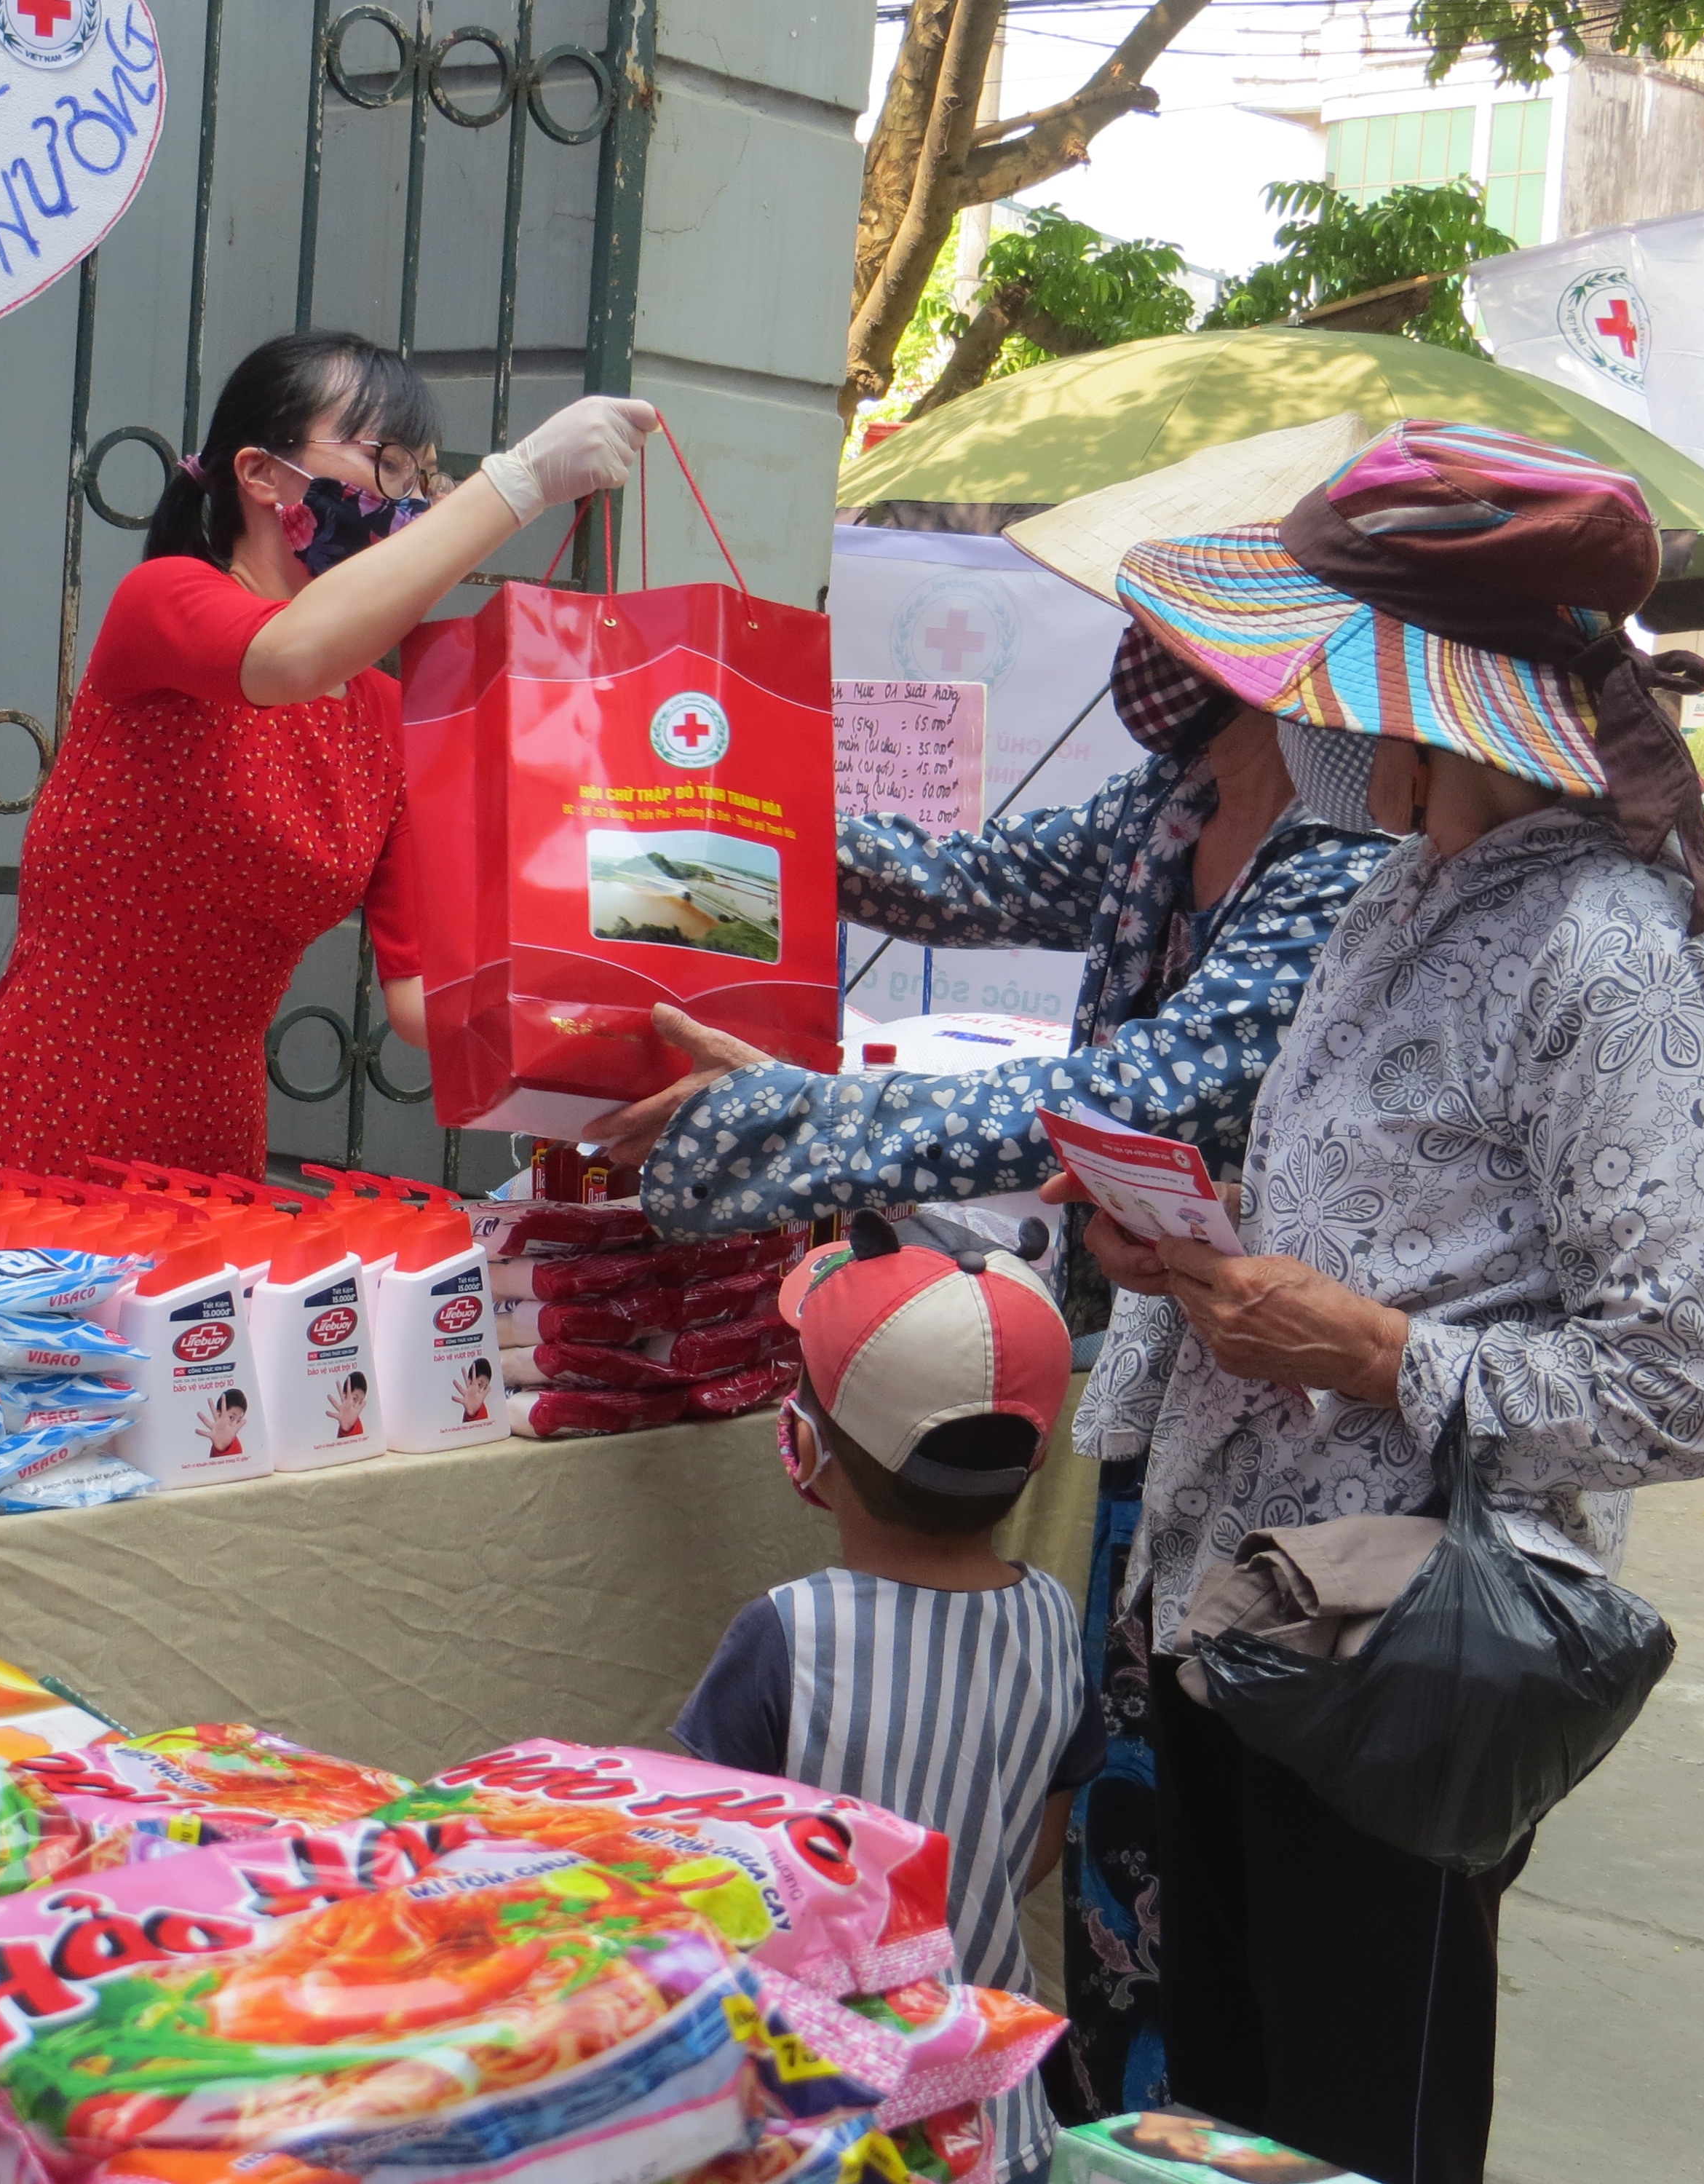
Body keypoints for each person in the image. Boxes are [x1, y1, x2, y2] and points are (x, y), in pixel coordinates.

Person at [1055, 422, 1704, 2184]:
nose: (1302, 715)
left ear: (1435, 699)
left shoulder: (1609, 950)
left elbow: (1686, 1381)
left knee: (1365, 2116)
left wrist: (1373, 1351)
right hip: (1237, 1607)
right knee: (1219, 2099)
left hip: (1408, 1652)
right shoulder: (1393, 891)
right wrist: (1184, 1256)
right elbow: (1351, 1214)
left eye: (1338, 676)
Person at [590, 625, 1392, 2113]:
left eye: (1187, 627)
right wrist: (699, 798)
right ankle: (1114, 2107)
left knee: (1255, 1878)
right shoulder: (1169, 799)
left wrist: (795, 1119)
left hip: (1312, 1428)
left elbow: (1132, 1090)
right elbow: (952, 881)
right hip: (1155, 1362)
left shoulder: (1342, 856)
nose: (1150, 654)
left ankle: (1178, 2114)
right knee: (1138, 1836)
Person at [0, 331, 657, 1249]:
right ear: (261, 475)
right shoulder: (165, 602)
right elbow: (291, 656)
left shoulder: (385, 715)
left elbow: (422, 1002)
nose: (408, 501)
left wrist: (629, 1004)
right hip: (53, 1101)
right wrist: (524, 479)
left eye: (425, 479)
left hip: (213, 1131)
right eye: (388, 465)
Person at [675, 1207, 1101, 2184]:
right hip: (997, 2113)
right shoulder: (1050, 1617)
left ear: (807, 1446)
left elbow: (704, 1874)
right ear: (1031, 1459)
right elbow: (1038, 1842)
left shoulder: (786, 1633)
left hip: (816, 2119)